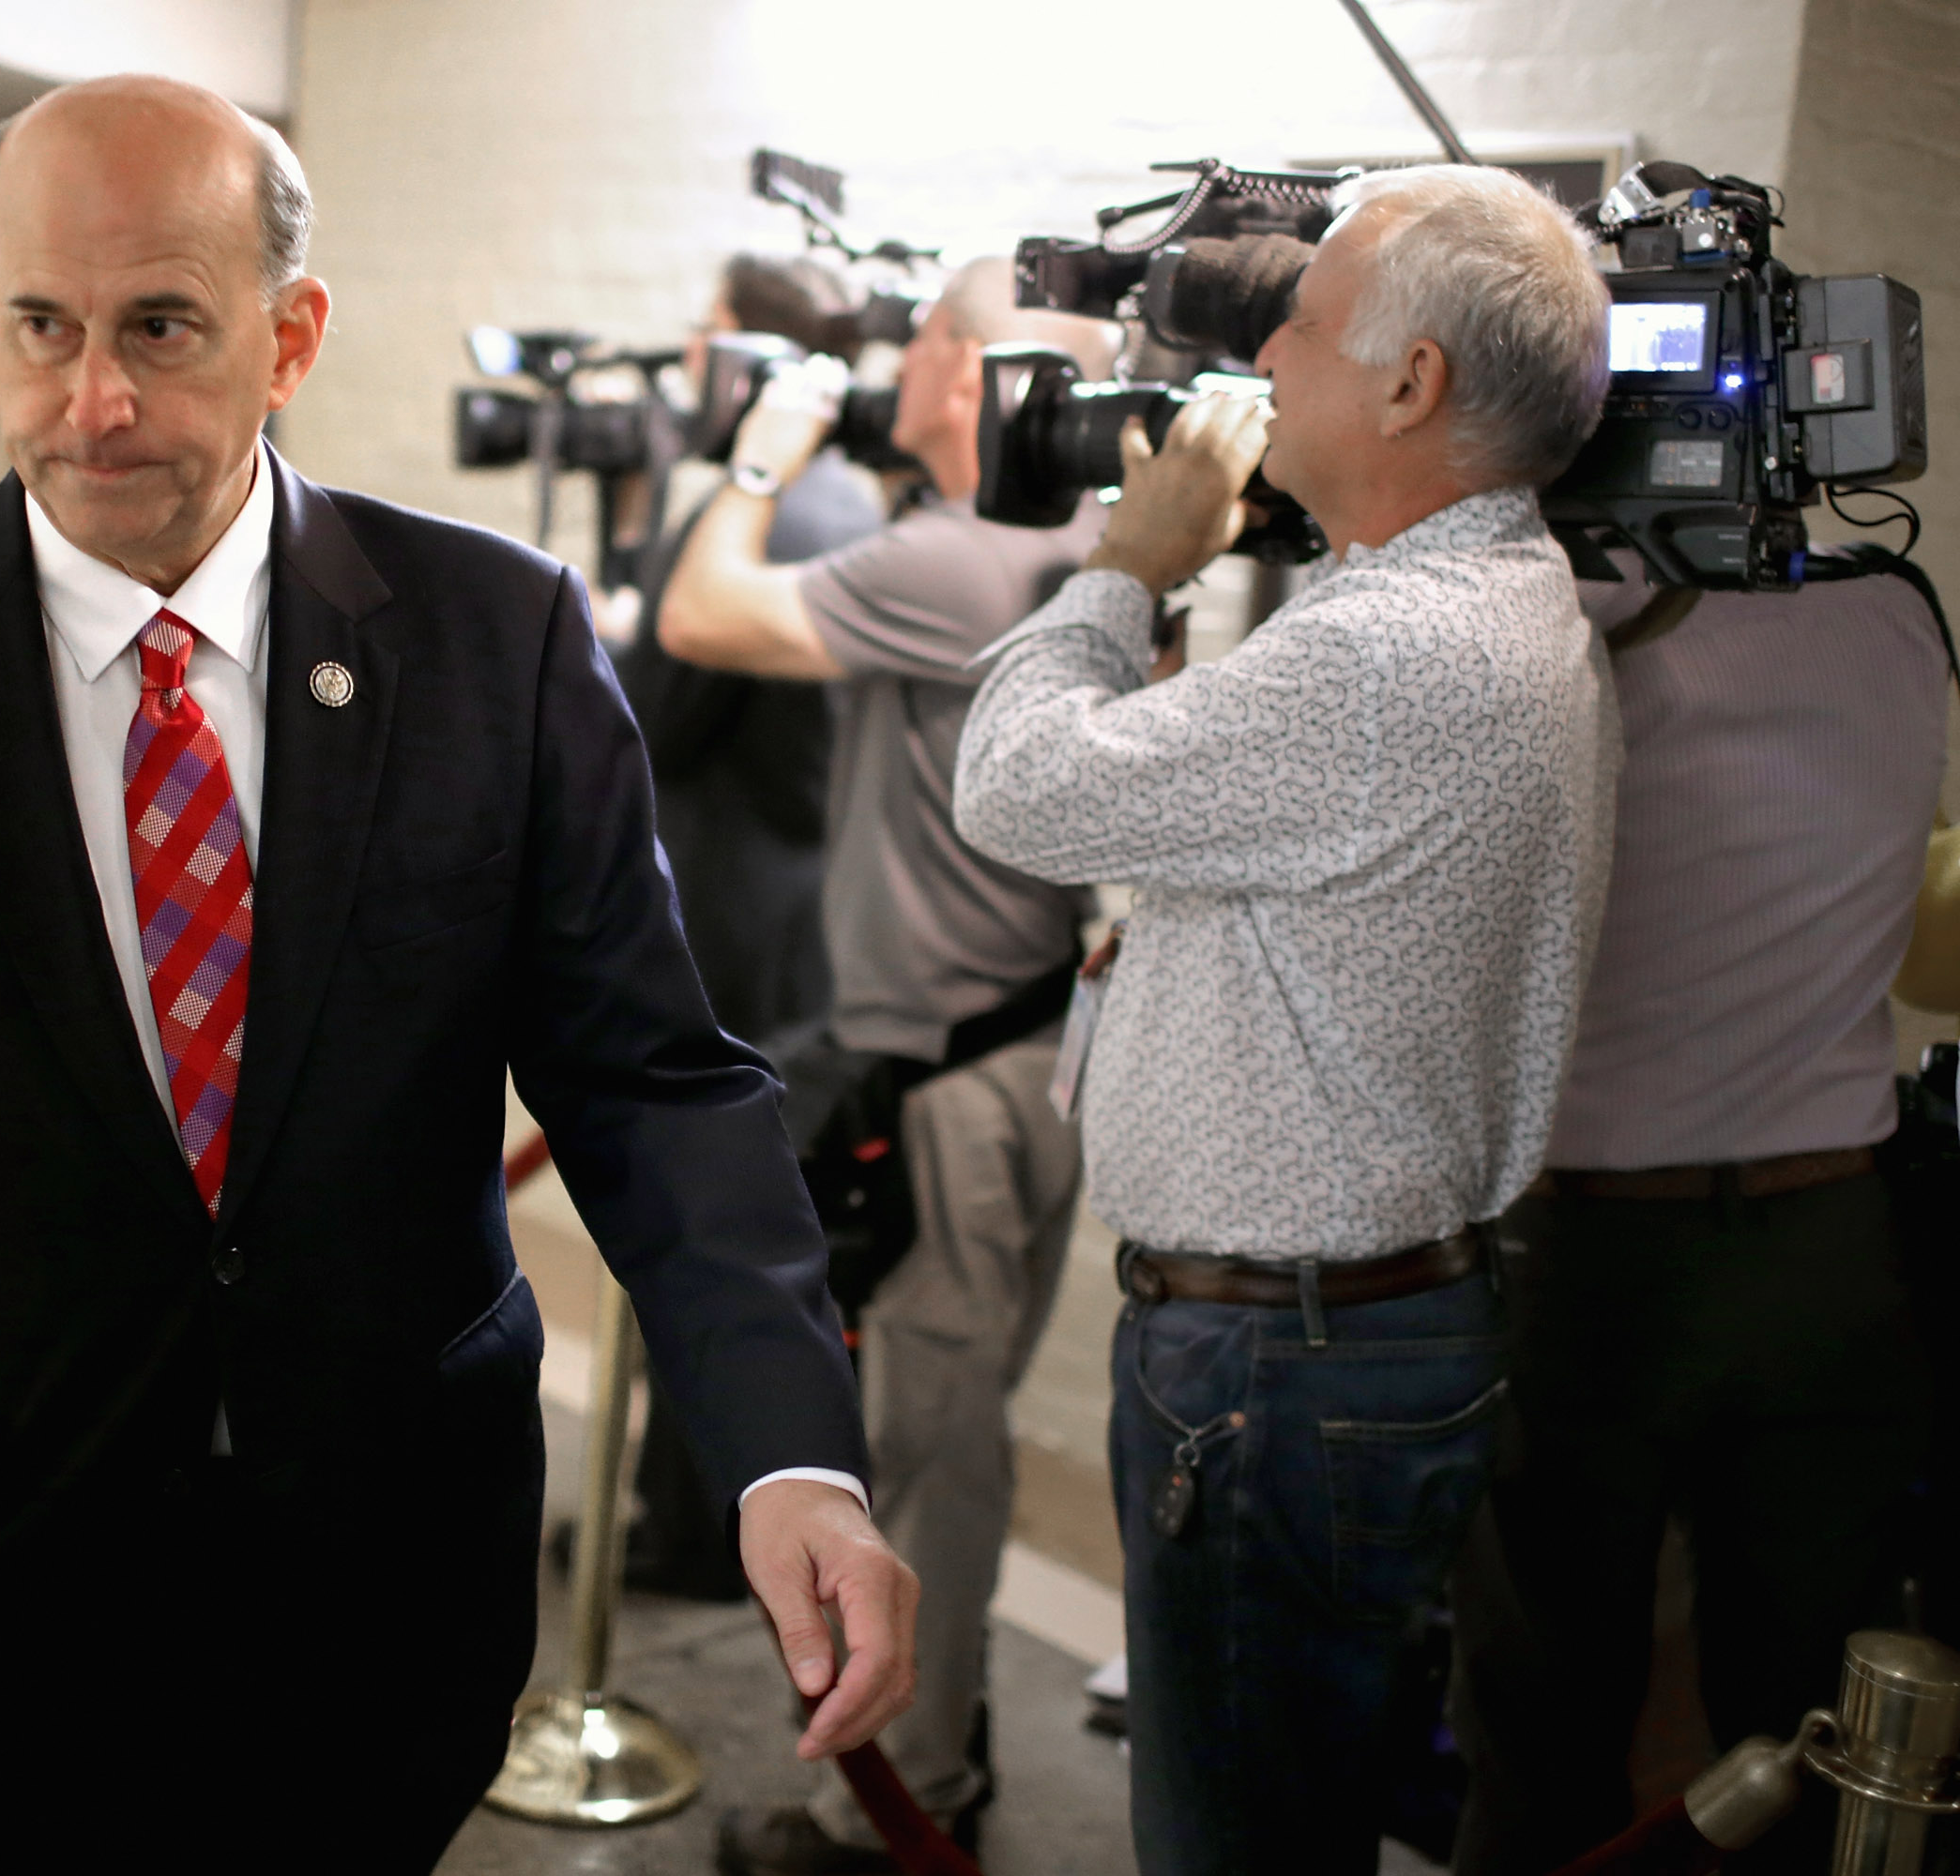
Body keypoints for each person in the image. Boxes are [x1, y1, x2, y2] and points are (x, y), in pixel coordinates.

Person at [0, 76, 914, 1872]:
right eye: (43, 327)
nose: (94, 401)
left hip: (390, 1564)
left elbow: (651, 1079)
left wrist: (789, 1455)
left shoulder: (495, 640)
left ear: (290, 338)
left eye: (161, 327)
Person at [951, 164, 1618, 1874]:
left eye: (1302, 327)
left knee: (1233, 1839)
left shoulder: (1390, 655)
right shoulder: (1495, 595)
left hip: (1279, 1368)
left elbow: (1013, 787)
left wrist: (1128, 563)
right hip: (1348, 1337)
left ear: (1410, 386)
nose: (1260, 364)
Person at [658, 256, 1110, 1874]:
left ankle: (911, 1810)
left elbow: (699, 615)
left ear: (978, 375)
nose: (894, 359)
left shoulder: (960, 555)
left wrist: (758, 457)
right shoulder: (1083, 544)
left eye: (922, 337)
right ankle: (947, 1746)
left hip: (952, 1082)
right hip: (1025, 1047)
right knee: (950, 1429)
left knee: (921, 1452)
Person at [1449, 562, 1947, 1876]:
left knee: (1542, 1729)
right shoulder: (1900, 610)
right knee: (1811, 1746)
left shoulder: (1563, 612)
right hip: (1838, 1240)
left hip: (1597, 1265)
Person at [600, 251, 884, 1604]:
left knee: (700, 1226)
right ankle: (703, 1514)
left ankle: (690, 1530)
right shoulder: (851, 498)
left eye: (707, 331)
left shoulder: (759, 510)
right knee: (747, 1232)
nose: (688, 356)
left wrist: (608, 630)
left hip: (730, 923)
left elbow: (649, 712)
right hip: (797, 909)